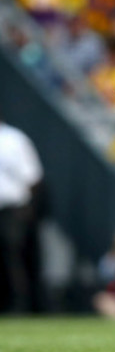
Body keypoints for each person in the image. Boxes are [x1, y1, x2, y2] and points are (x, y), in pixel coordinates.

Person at [0, 114, 43, 313]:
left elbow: (32, 176)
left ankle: (19, 305)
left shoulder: (14, 139)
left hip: (12, 208)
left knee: (12, 257)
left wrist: (28, 208)